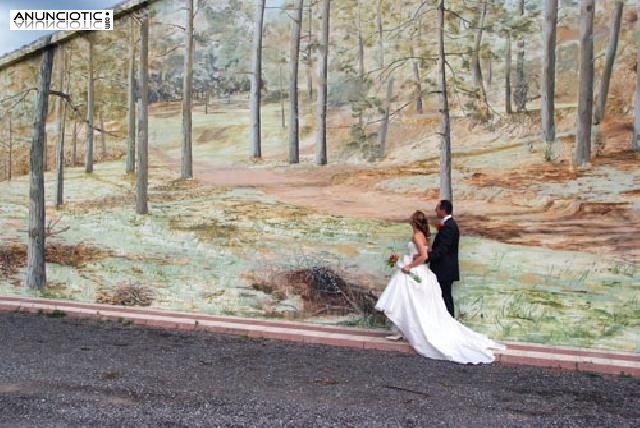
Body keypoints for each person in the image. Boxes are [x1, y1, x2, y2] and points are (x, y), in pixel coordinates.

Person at [375, 210, 504, 364]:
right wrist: (416, 256)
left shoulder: (417, 235)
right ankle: (402, 329)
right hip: (420, 270)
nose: (408, 219)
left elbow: (424, 256)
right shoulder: (422, 235)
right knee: (409, 301)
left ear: (414, 222)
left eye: (411, 218)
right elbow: (427, 251)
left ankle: (405, 329)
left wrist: (409, 266)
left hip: (414, 270)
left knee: (409, 301)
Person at [428, 200, 458, 318]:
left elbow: (443, 249)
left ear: (443, 210)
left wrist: (426, 257)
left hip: (444, 269)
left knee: (445, 297)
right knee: (443, 296)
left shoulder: (449, 226)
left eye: (437, 208)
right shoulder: (447, 224)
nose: (435, 210)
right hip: (443, 269)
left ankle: (450, 323)